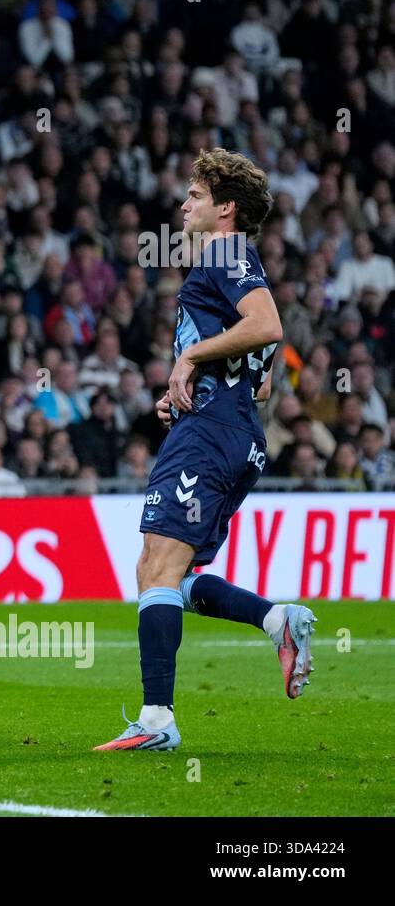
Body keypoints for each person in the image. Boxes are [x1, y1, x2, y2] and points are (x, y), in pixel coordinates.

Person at [97, 149, 316, 752]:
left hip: (210, 436)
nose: (183, 203)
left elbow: (268, 327)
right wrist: (194, 385)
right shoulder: (237, 264)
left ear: (226, 208)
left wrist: (190, 358)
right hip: (233, 432)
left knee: (157, 568)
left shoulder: (223, 253)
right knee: (170, 572)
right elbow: (262, 381)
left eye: (195, 194)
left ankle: (156, 721)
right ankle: (276, 620)